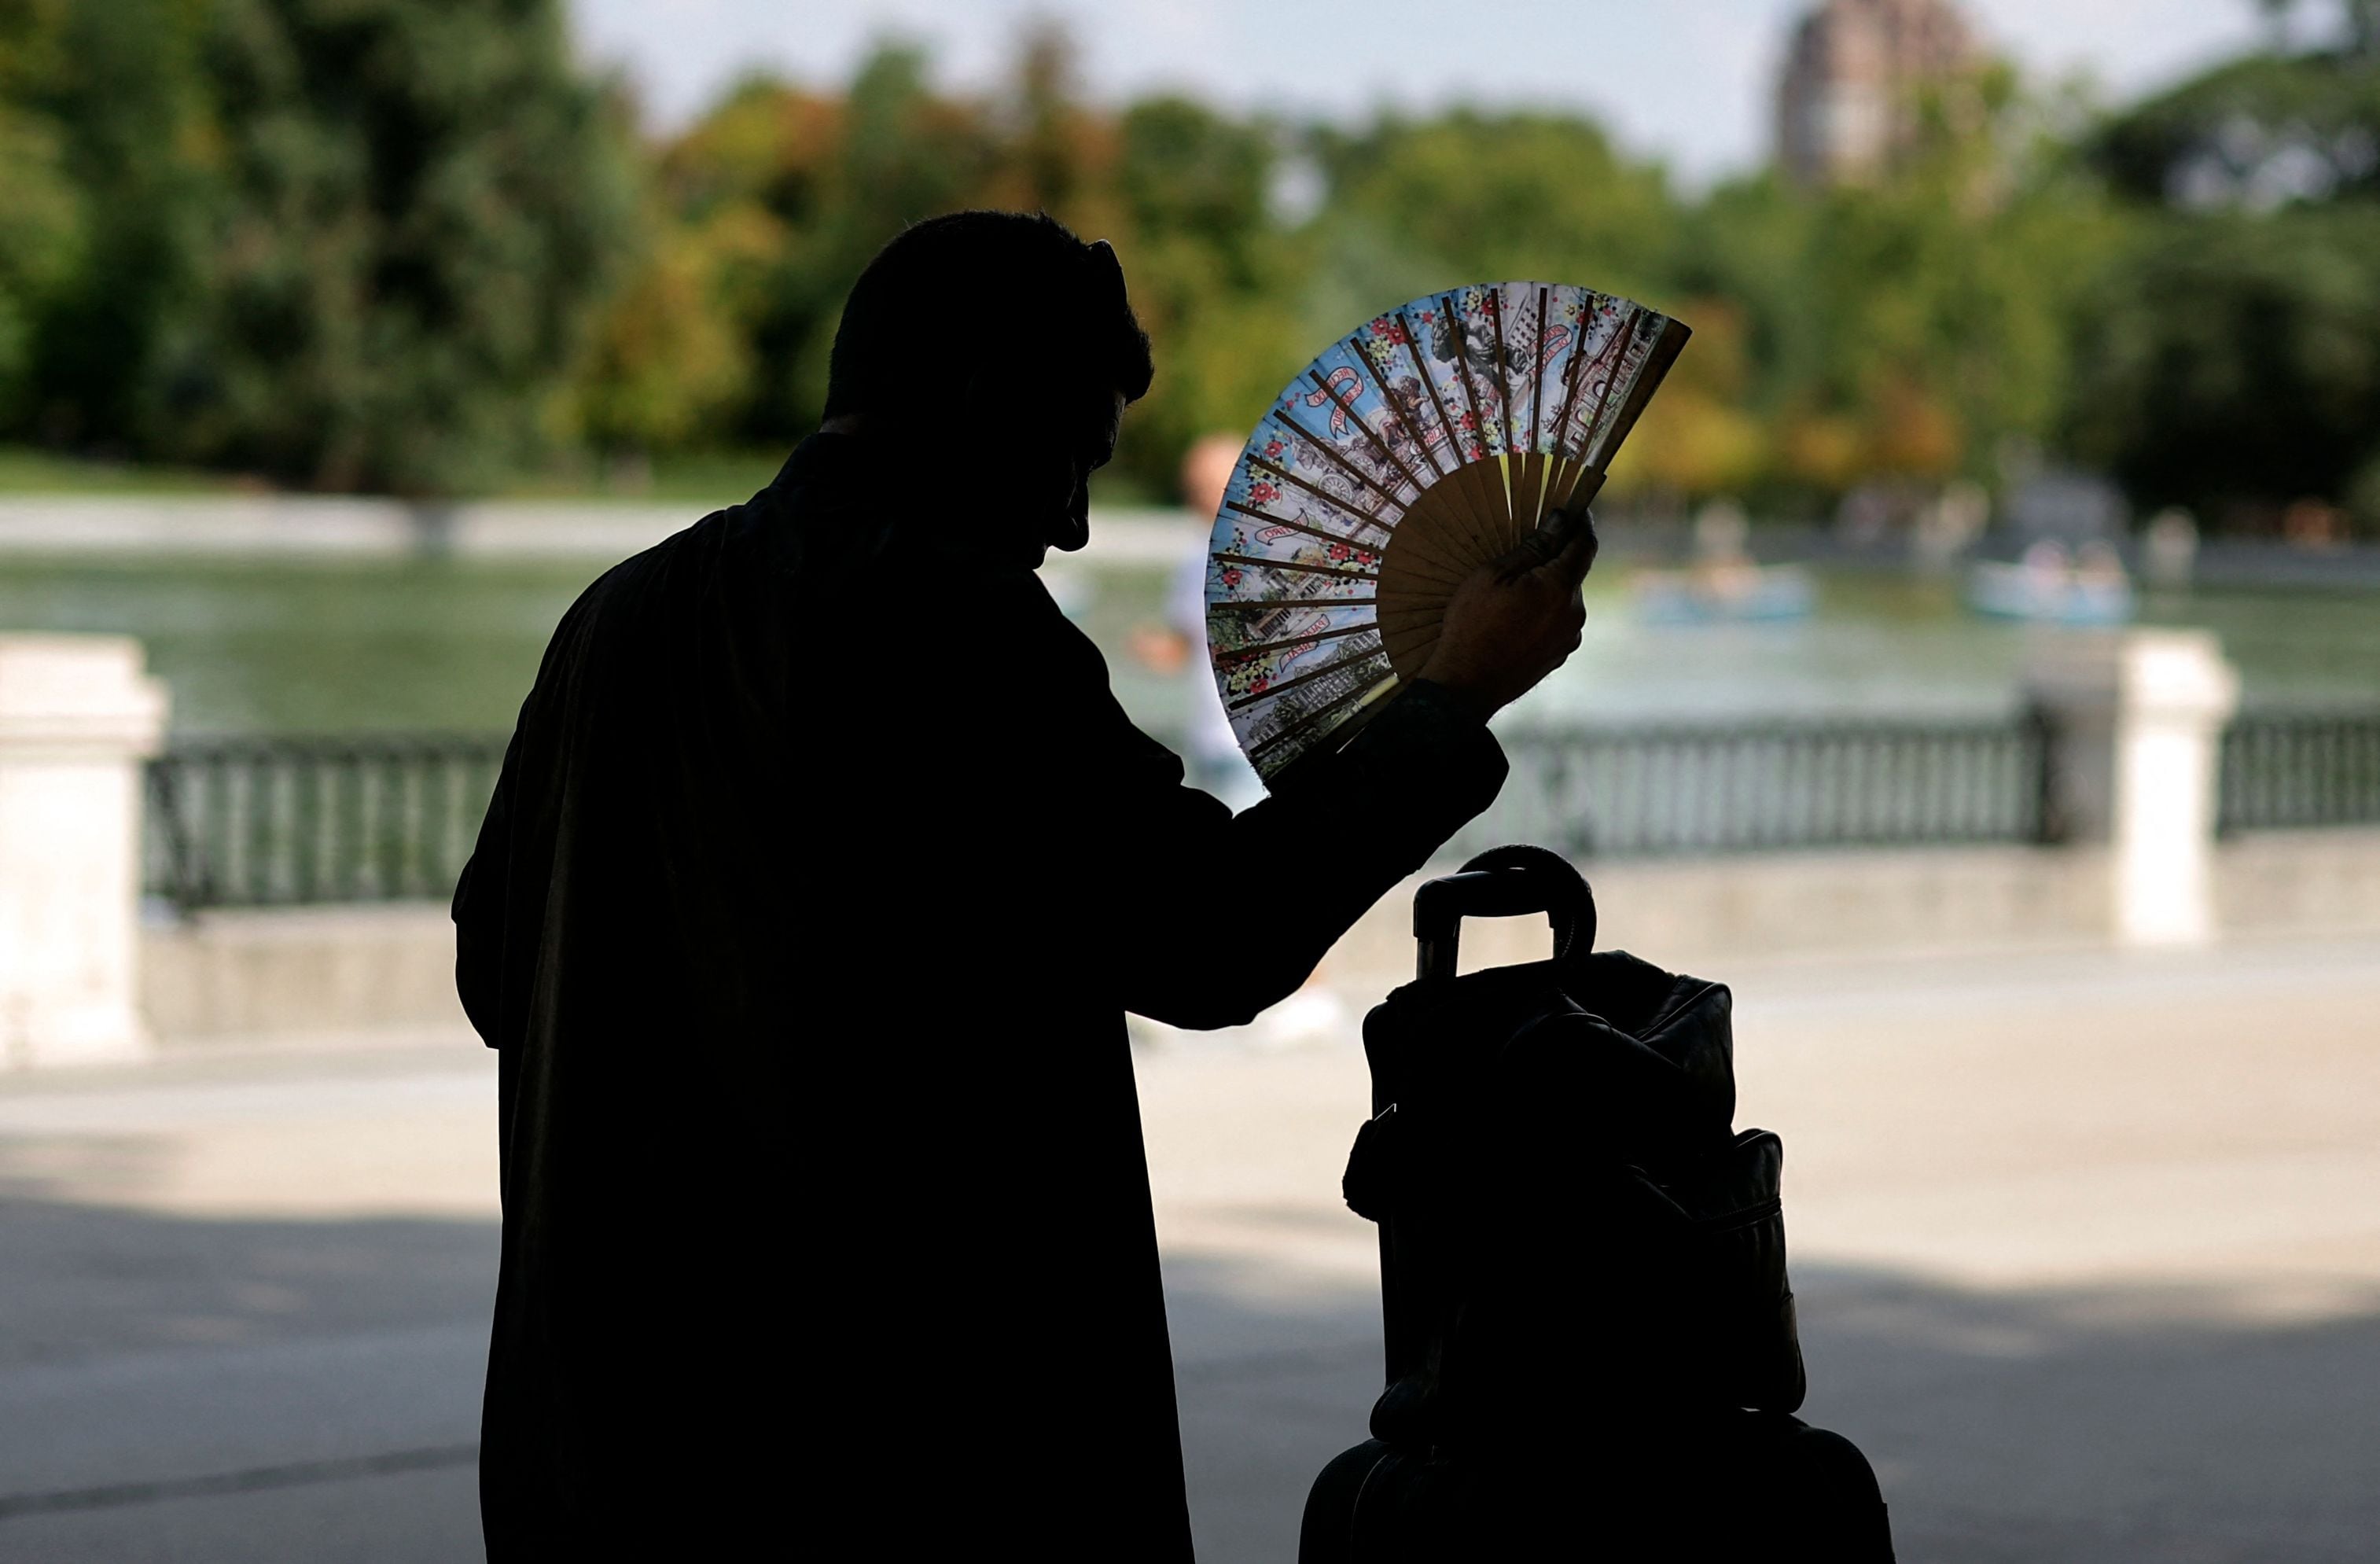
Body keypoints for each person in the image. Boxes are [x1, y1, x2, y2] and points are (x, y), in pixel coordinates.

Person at [452, 210, 1595, 1558]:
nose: (1071, 520)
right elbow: (1211, 935)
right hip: (900, 1451)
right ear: (983, 402)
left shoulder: (615, 617)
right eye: (1073, 454)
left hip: (606, 1437)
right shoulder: (948, 623)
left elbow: (491, 969)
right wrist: (1453, 695)